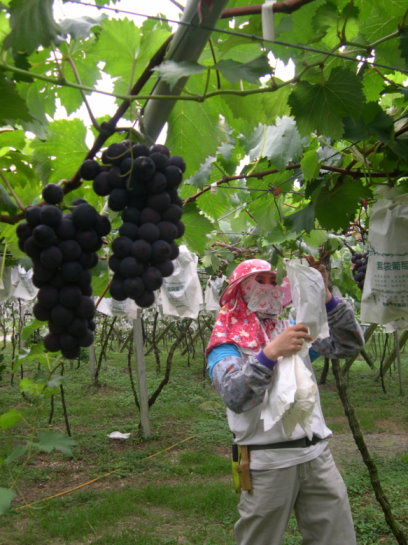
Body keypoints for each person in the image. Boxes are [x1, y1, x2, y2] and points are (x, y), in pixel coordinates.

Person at [205, 258, 365, 545]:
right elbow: (235, 396)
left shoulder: (292, 329)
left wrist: (324, 294)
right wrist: (269, 355)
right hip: (267, 463)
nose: (269, 287)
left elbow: (348, 344)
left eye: (275, 280)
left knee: (337, 538)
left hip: (316, 455)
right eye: (259, 280)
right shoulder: (226, 343)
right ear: (240, 288)